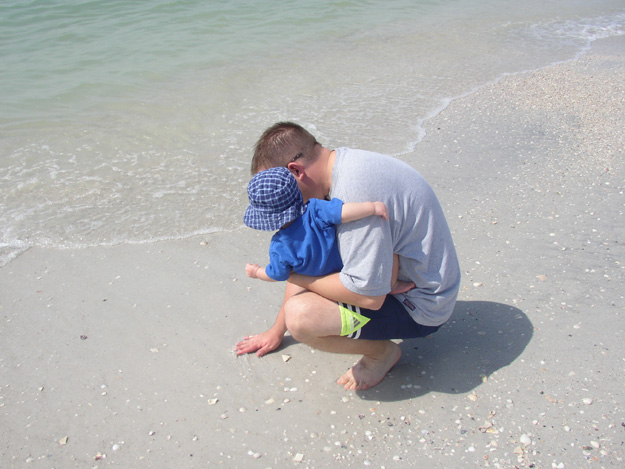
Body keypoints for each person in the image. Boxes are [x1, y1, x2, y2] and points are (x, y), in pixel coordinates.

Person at [235, 122, 461, 391]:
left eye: (280, 195)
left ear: (295, 171)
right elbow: (306, 258)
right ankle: (288, 320)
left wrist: (298, 278)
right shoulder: (344, 165)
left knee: (301, 317)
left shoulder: (353, 191)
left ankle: (381, 354)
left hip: (421, 306)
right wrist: (275, 331)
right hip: (406, 277)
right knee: (307, 253)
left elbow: (369, 298)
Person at [243, 166, 414, 303]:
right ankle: (391, 284)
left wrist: (258, 272)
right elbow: (343, 212)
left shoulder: (279, 246)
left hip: (323, 289)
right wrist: (372, 207)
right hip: (344, 272)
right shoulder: (315, 209)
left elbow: (278, 274)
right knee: (390, 247)